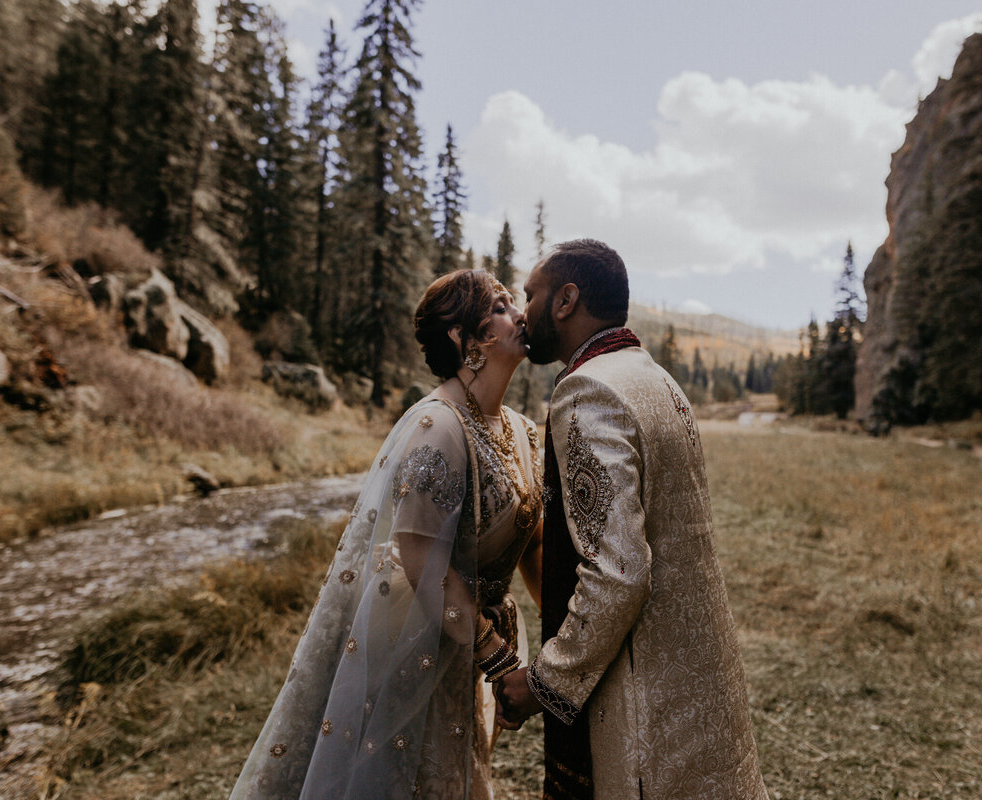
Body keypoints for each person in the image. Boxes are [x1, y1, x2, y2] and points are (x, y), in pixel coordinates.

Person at [230, 269, 544, 800]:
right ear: (462, 338)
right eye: (498, 305)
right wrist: (494, 654)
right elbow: (421, 559)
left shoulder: (522, 429)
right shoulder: (438, 426)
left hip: (476, 631)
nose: (518, 314)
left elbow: (532, 541)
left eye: (514, 302)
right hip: (422, 632)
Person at [495, 239, 769, 800]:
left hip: (644, 695)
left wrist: (545, 681)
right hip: (699, 677)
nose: (523, 312)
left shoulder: (588, 391)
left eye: (531, 295)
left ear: (566, 299)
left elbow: (618, 573)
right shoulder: (657, 379)